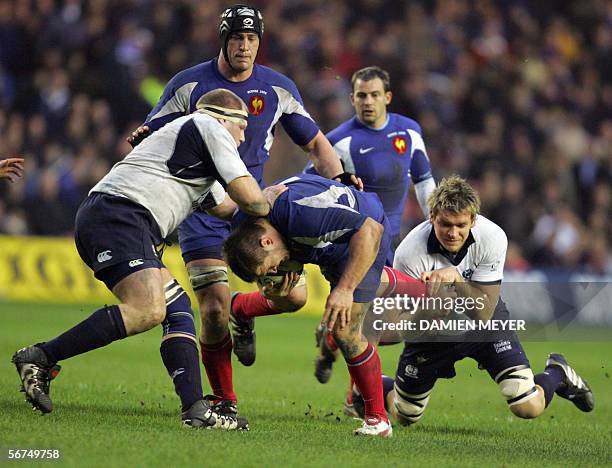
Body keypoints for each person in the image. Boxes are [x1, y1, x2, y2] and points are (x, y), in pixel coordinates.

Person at [126, 4, 360, 425]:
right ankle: (224, 400)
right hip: (201, 208)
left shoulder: (277, 89)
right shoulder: (189, 84)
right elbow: (151, 133)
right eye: (237, 38)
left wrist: (342, 178)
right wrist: (143, 136)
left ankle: (245, 310)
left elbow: (317, 145)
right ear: (223, 39)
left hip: (253, 211)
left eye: (252, 39)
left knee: (294, 297)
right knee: (211, 309)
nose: (245, 47)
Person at [12, 89, 271, 430]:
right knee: (148, 309)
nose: (242, 137)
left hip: (121, 219)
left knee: (176, 309)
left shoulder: (197, 155)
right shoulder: (208, 126)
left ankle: (196, 409)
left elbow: (229, 209)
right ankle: (41, 356)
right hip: (122, 214)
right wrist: (279, 210)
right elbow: (251, 200)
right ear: (224, 119)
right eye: (242, 127)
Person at [351, 175, 594, 426]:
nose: (453, 233)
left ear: (473, 220)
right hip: (433, 335)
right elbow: (398, 325)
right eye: (445, 224)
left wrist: (456, 279)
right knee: (405, 415)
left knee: (528, 406)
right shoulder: (409, 253)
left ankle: (557, 372)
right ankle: (371, 386)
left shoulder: (493, 237)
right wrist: (427, 314)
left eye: (460, 225)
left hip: (484, 326)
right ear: (432, 216)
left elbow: (484, 312)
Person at [224, 173, 435, 437]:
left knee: (347, 330)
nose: (275, 270)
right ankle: (241, 309)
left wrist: (345, 289)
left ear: (267, 241)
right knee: (292, 297)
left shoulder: (300, 215)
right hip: (310, 240)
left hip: (360, 237)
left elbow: (370, 230)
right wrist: (269, 289)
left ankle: (377, 421)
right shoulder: (244, 227)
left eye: (271, 267)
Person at [303, 66, 436, 409]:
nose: (368, 101)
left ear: (387, 97)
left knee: (375, 323)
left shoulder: (409, 131)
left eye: (375, 95)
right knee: (368, 322)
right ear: (352, 99)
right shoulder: (339, 140)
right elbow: (310, 185)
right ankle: (356, 398)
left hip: (394, 243)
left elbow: (423, 182)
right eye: (361, 95)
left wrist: (435, 224)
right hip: (357, 244)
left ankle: (330, 343)